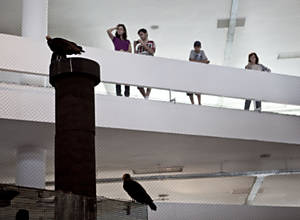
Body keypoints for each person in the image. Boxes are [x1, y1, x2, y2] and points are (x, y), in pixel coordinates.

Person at [107, 24, 132, 97]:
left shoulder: (128, 41)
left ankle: (127, 95)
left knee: (127, 78)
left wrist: (123, 52)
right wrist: (115, 27)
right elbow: (108, 31)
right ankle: (118, 94)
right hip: (117, 61)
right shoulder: (115, 39)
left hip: (126, 62)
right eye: (118, 29)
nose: (119, 30)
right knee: (118, 78)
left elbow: (130, 52)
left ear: (124, 31)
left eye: (121, 29)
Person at [134, 28, 156, 99]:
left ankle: (146, 96)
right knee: (139, 85)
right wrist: (134, 46)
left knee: (149, 82)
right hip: (141, 65)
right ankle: (146, 97)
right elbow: (135, 56)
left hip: (149, 64)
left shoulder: (151, 42)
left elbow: (152, 52)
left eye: (142, 34)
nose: (140, 37)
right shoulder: (139, 46)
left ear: (146, 34)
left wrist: (143, 44)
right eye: (139, 35)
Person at [187, 41, 210, 105]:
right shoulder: (192, 52)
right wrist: (201, 62)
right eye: (196, 47)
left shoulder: (202, 52)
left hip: (199, 74)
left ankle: (199, 103)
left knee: (198, 89)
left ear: (200, 47)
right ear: (194, 47)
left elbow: (206, 60)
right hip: (192, 73)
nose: (197, 48)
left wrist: (197, 62)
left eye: (198, 47)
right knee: (190, 89)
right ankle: (192, 103)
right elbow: (191, 60)